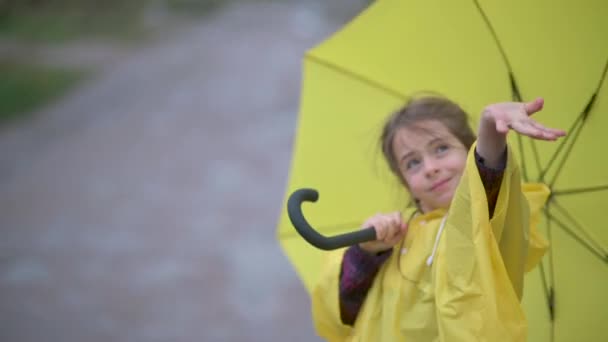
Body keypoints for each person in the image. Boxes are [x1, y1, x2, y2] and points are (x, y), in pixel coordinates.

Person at [311, 95, 566, 341]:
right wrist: (366, 254)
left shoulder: (486, 223)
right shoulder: (393, 242)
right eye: (412, 163)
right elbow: (339, 319)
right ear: (406, 184)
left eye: (441, 148)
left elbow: (485, 198)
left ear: (469, 148)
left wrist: (491, 137)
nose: (430, 168)